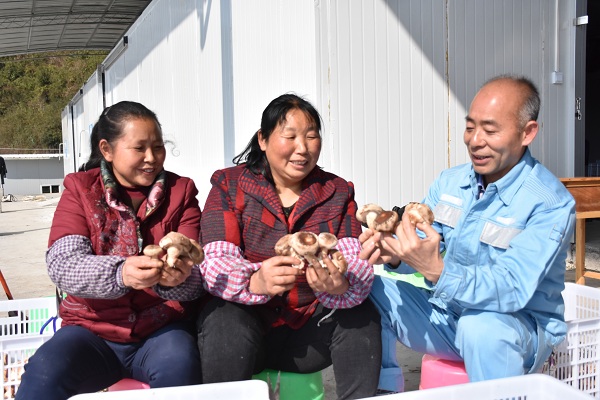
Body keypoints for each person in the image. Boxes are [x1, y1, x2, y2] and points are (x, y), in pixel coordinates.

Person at [359, 75, 576, 393]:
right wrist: (395, 254)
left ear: (527, 133)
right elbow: (426, 245)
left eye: (490, 130)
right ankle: (384, 392)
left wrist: (437, 271)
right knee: (367, 288)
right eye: (470, 127)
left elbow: (512, 288)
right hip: (450, 315)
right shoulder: (451, 183)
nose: (475, 141)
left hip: (516, 328)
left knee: (481, 327)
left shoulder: (550, 203)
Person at [197, 93, 381, 399]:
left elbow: (354, 258)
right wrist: (255, 280)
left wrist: (340, 284)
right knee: (222, 318)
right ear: (263, 139)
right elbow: (216, 259)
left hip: (308, 338)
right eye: (290, 136)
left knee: (361, 314)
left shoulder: (337, 191)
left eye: (311, 136)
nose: (303, 148)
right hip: (246, 333)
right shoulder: (229, 185)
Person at [17, 101, 205, 400]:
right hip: (91, 330)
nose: (152, 158)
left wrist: (178, 279)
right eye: (139, 148)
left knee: (180, 365)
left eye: (158, 147)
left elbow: (197, 271)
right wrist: (121, 273)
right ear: (106, 149)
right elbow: (63, 264)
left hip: (161, 331)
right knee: (44, 371)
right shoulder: (80, 190)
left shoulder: (182, 193)